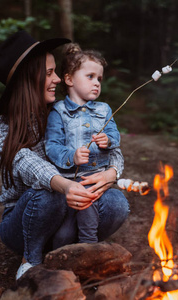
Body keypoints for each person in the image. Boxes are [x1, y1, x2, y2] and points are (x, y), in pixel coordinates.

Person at [0, 30, 129, 280]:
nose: (58, 80)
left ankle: (75, 252)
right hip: (25, 222)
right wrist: (63, 184)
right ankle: (31, 260)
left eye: (56, 72)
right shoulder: (1, 130)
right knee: (48, 194)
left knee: (117, 202)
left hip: (72, 212)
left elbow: (111, 149)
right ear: (28, 78)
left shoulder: (65, 112)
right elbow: (29, 164)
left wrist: (111, 173)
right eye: (49, 73)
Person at [44, 43, 124, 244]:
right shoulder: (59, 111)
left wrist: (109, 140)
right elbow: (52, 146)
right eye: (90, 77)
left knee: (85, 220)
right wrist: (72, 156)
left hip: (97, 179)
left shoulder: (104, 109)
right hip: (71, 180)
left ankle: (89, 246)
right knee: (63, 236)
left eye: (99, 79)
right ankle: (72, 250)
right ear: (69, 79)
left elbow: (115, 134)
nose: (96, 83)